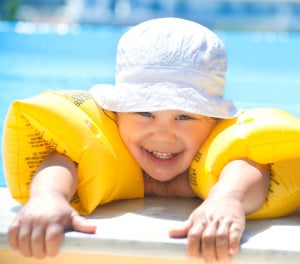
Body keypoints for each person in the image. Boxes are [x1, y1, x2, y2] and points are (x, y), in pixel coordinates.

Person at [7, 17, 270, 263]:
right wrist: (48, 197)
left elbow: (249, 166)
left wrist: (227, 200)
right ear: (117, 114)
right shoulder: (106, 148)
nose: (163, 134)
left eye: (185, 117)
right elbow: (62, 160)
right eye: (145, 113)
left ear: (214, 121)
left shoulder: (220, 160)